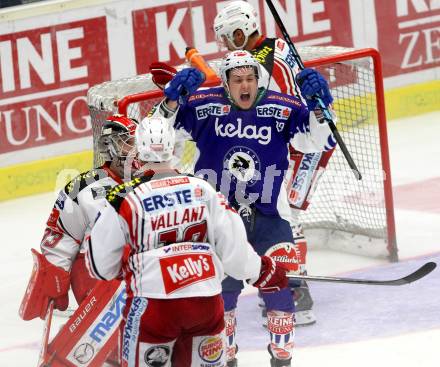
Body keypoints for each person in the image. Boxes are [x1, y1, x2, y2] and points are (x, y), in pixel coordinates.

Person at [152, 50, 334, 366]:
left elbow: (320, 141)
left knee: (280, 293)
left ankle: (282, 359)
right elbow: (156, 138)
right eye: (238, 80)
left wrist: (320, 106)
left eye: (250, 78)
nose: (244, 85)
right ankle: (228, 359)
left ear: (258, 80)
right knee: (223, 299)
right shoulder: (203, 106)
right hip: (218, 221)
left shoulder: (282, 108)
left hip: (269, 218)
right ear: (227, 82)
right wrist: (171, 102)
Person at [84, 114, 289, 367]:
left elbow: (100, 267)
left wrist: (127, 265)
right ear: (173, 146)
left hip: (153, 305)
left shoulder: (123, 198)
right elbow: (234, 253)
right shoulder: (204, 189)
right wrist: (264, 271)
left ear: (138, 149)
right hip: (206, 302)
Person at [213, 0, 337, 327]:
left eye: (228, 37)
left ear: (240, 32)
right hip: (297, 138)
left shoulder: (266, 62)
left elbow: (288, 116)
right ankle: (281, 280)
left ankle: (297, 291)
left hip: (306, 142)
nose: (224, 44)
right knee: (280, 211)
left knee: (285, 212)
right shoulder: (266, 53)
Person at [19, 114, 139, 366]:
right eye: (129, 142)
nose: (136, 148)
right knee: (128, 347)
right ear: (112, 146)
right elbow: (61, 234)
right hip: (95, 272)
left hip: (140, 266)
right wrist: (55, 273)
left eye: (138, 141)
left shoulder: (151, 178)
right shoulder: (82, 187)